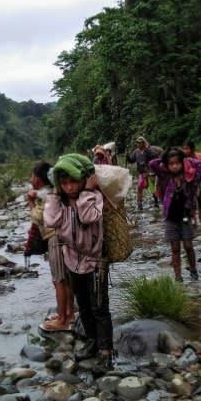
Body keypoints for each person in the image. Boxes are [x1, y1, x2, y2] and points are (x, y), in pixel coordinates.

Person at [44, 153, 113, 372]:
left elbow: (87, 217)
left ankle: (106, 352)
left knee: (99, 308)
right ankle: (92, 343)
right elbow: (50, 221)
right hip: (73, 260)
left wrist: (88, 192)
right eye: (64, 183)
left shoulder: (94, 197)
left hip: (95, 261)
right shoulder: (60, 202)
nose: (69, 187)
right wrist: (55, 194)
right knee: (83, 305)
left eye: (73, 182)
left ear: (83, 180)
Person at [25, 161, 75, 332]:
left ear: (39, 179)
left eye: (32, 175)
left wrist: (30, 202)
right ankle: (69, 313)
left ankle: (62, 320)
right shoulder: (54, 191)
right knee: (66, 278)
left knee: (59, 280)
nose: (31, 179)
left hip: (55, 239)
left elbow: (39, 218)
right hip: (64, 237)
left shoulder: (44, 195)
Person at [150, 148, 201, 282]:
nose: (175, 166)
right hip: (170, 219)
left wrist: (187, 159)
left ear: (182, 163)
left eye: (177, 163)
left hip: (185, 217)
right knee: (175, 249)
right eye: (171, 164)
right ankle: (178, 277)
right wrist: (163, 158)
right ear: (167, 165)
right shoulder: (165, 177)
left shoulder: (189, 177)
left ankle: (193, 270)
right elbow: (152, 164)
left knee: (188, 246)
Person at [127, 136, 161, 211]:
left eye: (140, 143)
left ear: (143, 143)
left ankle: (156, 202)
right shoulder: (136, 152)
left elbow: (155, 156)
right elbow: (131, 160)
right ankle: (139, 205)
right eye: (137, 143)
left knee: (152, 188)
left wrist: (148, 150)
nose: (138, 144)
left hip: (149, 172)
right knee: (139, 188)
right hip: (141, 173)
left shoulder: (148, 151)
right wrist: (127, 156)